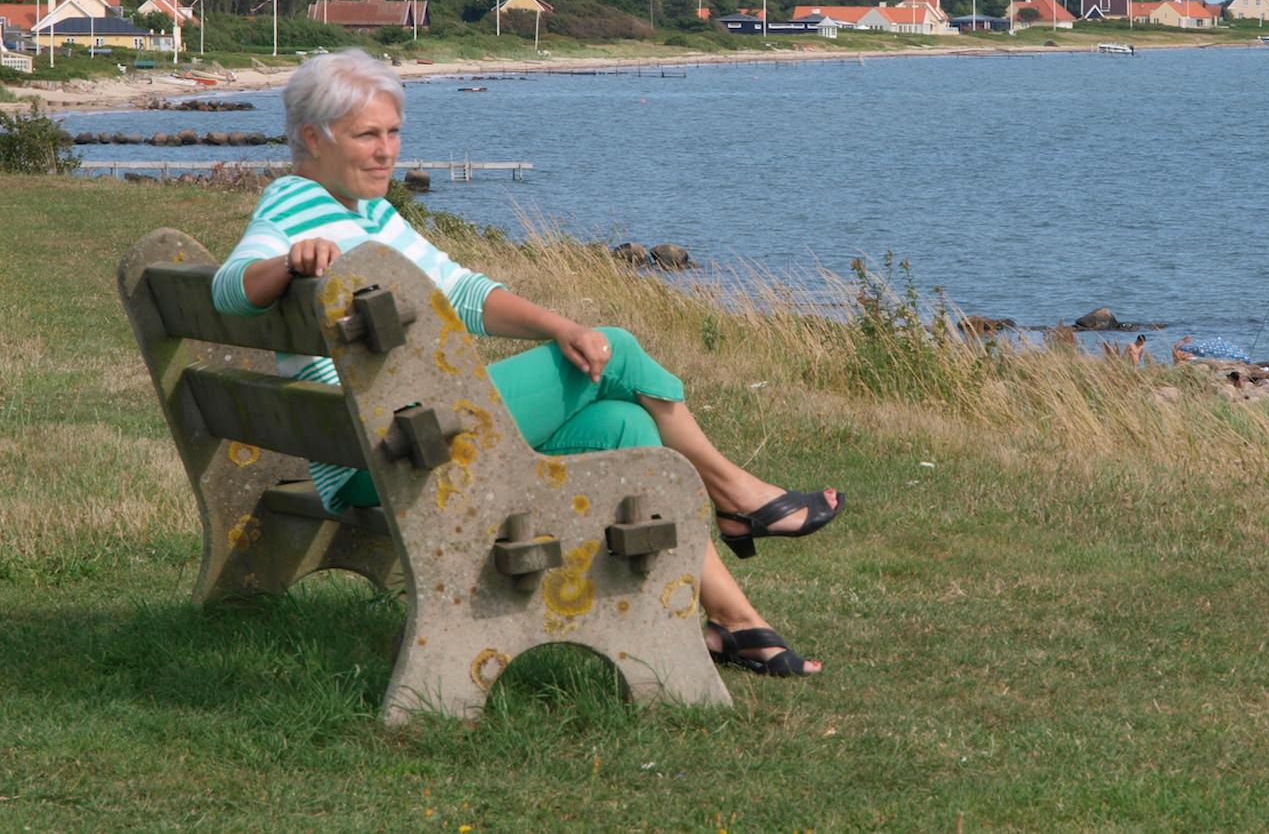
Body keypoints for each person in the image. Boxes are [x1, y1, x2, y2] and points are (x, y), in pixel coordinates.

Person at [210, 49, 841, 677]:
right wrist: (291, 260)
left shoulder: (368, 212)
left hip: (403, 438)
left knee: (625, 427)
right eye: (367, 135)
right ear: (314, 139)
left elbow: (463, 294)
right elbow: (228, 288)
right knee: (616, 349)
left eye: (394, 131)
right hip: (386, 452)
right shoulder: (291, 206)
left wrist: (561, 326)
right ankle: (736, 495)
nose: (387, 150)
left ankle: (735, 622)